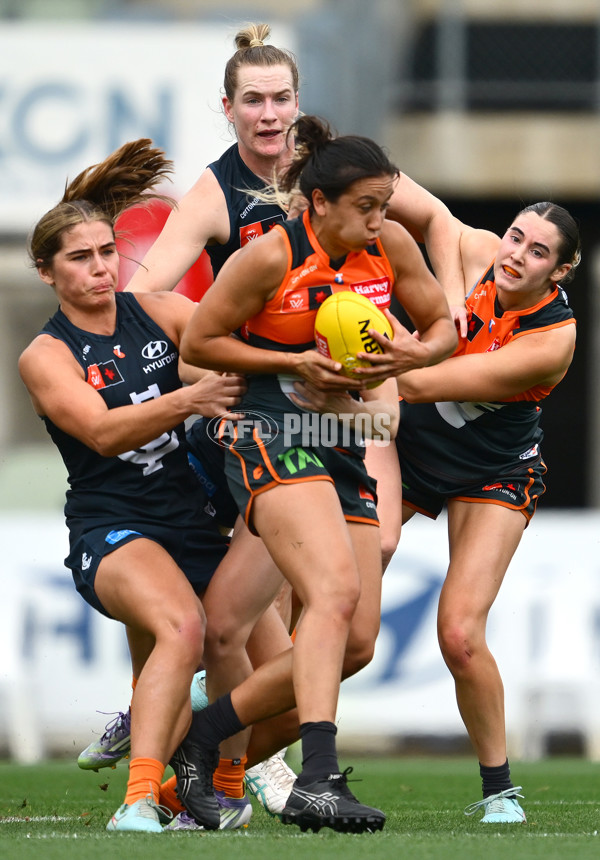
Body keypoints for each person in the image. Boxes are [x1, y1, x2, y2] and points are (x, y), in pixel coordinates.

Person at [171, 114, 457, 835]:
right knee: (329, 592)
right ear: (319, 202)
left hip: (341, 436)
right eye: (367, 206)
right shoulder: (268, 257)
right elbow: (202, 341)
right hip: (272, 431)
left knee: (355, 642)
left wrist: (413, 357)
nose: (381, 219)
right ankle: (320, 780)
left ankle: (203, 740)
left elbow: (445, 326)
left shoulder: (389, 245)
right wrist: (291, 362)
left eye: (386, 205)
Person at [77, 22, 303, 824]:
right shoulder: (214, 194)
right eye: (254, 101)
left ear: (299, 106)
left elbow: (436, 226)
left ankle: (181, 739)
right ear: (229, 108)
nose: (269, 114)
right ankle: (202, 758)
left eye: (280, 99)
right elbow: (149, 304)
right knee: (234, 625)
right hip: (248, 427)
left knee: (326, 631)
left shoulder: (335, 174)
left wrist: (462, 277)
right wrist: (205, 365)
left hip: (334, 414)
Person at [17, 139, 247, 834]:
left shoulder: (160, 311)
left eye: (106, 251)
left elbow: (234, 359)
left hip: (196, 521)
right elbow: (103, 432)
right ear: (47, 273)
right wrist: (190, 400)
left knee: (287, 671)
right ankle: (140, 800)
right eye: (79, 258)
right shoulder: (46, 355)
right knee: (184, 627)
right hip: (113, 526)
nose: (99, 267)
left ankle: (206, 792)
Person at [351, 190, 580, 823]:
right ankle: (237, 689)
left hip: (493, 470)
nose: (516, 255)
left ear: (558, 273)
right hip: (412, 447)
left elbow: (420, 381)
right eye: (515, 237)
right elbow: (416, 202)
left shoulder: (550, 343)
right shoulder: (481, 254)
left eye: (538, 252)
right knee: (346, 571)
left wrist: (368, 341)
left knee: (459, 633)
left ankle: (500, 789)